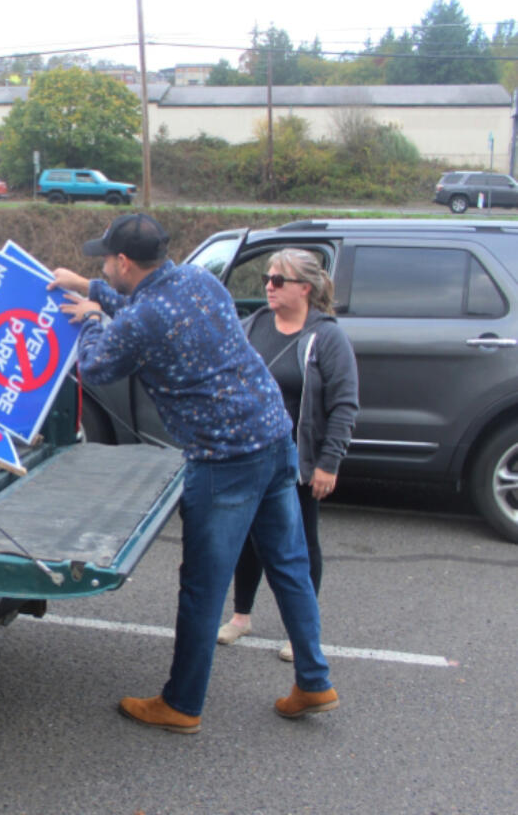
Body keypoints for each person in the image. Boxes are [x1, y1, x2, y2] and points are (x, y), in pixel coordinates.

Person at [48, 214, 337, 734]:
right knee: (289, 566)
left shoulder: (142, 318)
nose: (103, 266)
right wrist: (90, 288)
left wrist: (90, 318)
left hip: (223, 458)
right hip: (274, 438)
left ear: (124, 262)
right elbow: (150, 311)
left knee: (203, 587)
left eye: (104, 262)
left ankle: (181, 704)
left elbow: (96, 367)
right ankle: (314, 682)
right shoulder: (198, 281)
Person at [217, 249, 359, 661]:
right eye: (267, 278)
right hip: (248, 457)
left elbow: (345, 406)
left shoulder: (327, 337)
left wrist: (328, 464)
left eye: (279, 280)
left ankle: (301, 632)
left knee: (299, 544)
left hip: (296, 465)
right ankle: (241, 617)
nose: (269, 286)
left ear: (305, 288)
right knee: (247, 540)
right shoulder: (255, 324)